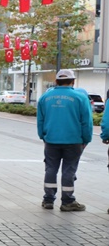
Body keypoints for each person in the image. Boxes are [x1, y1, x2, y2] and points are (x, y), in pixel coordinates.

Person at [36, 69, 92, 211]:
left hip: (51, 140)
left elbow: (40, 120)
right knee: (69, 170)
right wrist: (86, 139)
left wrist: (43, 135)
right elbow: (86, 122)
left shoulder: (45, 97)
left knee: (50, 169)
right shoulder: (80, 98)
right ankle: (67, 201)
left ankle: (48, 200)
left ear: (56, 81)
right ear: (73, 81)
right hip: (73, 141)